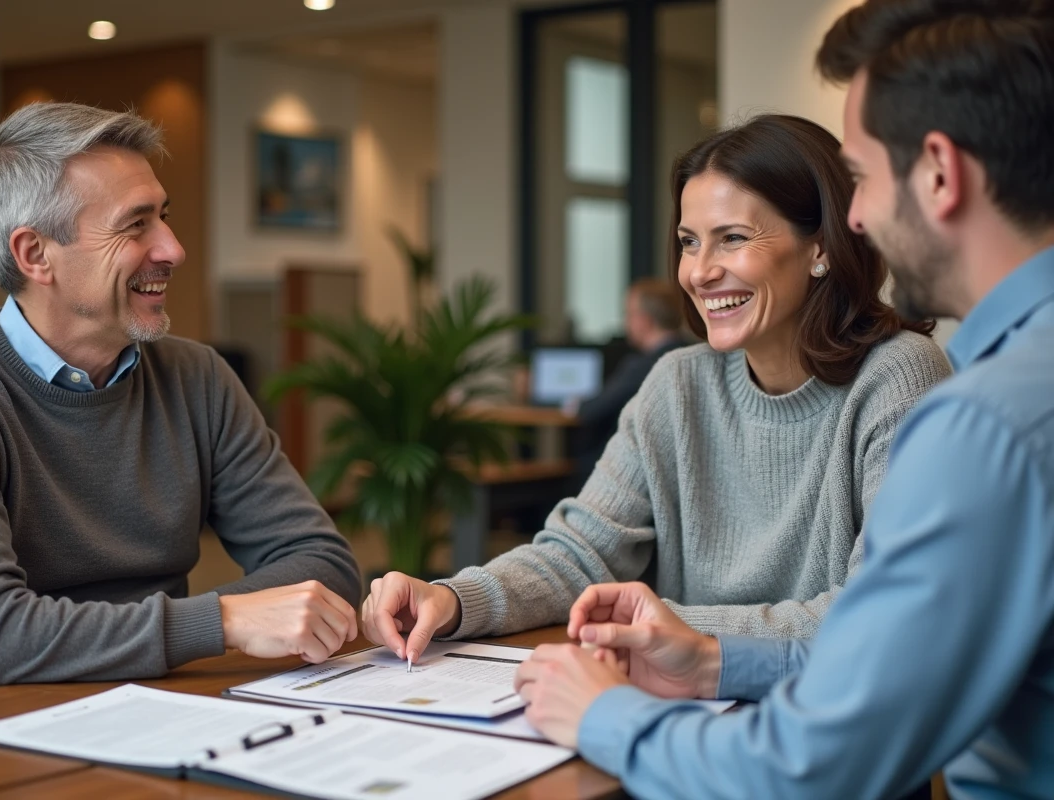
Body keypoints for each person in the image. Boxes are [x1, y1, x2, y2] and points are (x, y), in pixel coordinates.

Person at [512, 1, 1054, 797]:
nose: (858, 215)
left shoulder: (987, 420)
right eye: (690, 242)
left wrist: (606, 715)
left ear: (940, 172)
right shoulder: (1013, 386)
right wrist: (706, 655)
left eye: (862, 178)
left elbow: (820, 760)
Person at [363, 113, 952, 661]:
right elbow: (579, 554)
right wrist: (457, 599)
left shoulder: (898, 377)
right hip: (685, 715)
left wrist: (669, 623)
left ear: (820, 246)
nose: (698, 272)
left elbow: (883, 614)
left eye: (734, 238)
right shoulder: (676, 382)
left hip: (835, 738)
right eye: (690, 241)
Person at [0, 103, 362, 700]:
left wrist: (184, 635)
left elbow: (321, 561)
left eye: (163, 217)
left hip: (156, 701)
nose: (172, 248)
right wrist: (222, 622)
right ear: (35, 254)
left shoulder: (198, 377)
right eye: (135, 225)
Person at [563, 279, 689, 485]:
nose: (625, 323)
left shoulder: (643, 365)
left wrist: (576, 404)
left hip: (624, 475)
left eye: (628, 314)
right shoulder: (696, 357)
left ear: (644, 320)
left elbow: (591, 411)